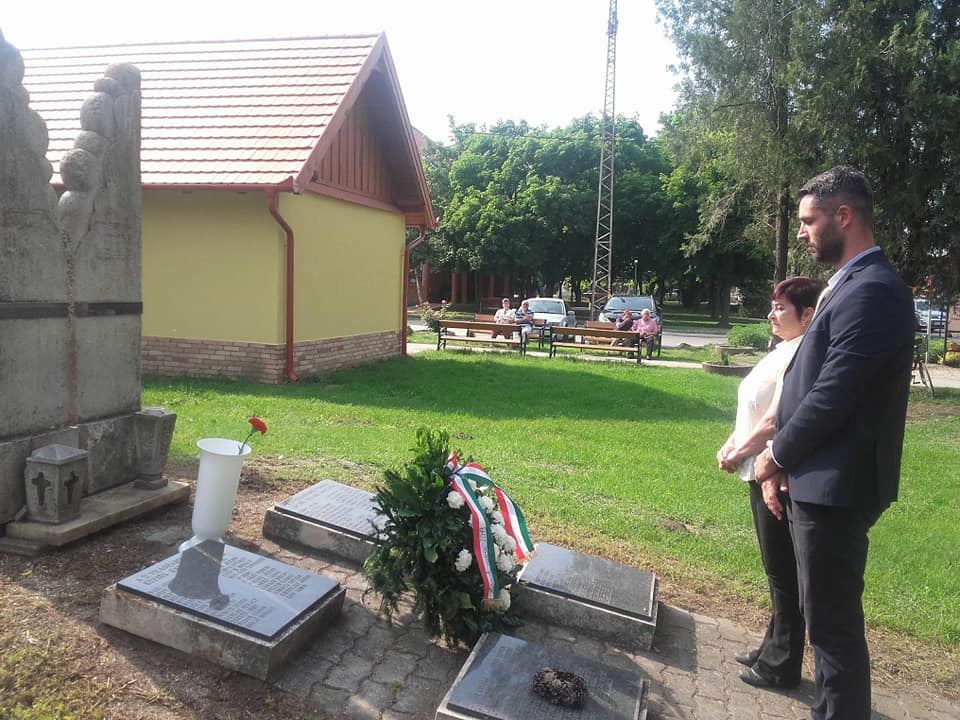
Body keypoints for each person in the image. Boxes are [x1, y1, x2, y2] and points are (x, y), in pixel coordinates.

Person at [753, 166, 915, 720]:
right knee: (824, 624)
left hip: (837, 485)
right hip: (818, 476)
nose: (801, 231)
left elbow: (833, 395)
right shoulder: (849, 283)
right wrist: (783, 462)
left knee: (833, 631)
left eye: (809, 220)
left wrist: (775, 456)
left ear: (843, 216)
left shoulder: (874, 290)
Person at [716, 276, 825, 691]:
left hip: (776, 475)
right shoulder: (784, 350)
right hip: (758, 466)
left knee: (783, 572)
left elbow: (776, 420)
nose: (771, 314)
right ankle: (771, 647)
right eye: (773, 306)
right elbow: (753, 410)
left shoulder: (802, 354)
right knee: (776, 568)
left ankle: (782, 664)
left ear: (808, 315)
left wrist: (739, 453)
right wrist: (732, 444)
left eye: (781, 308)